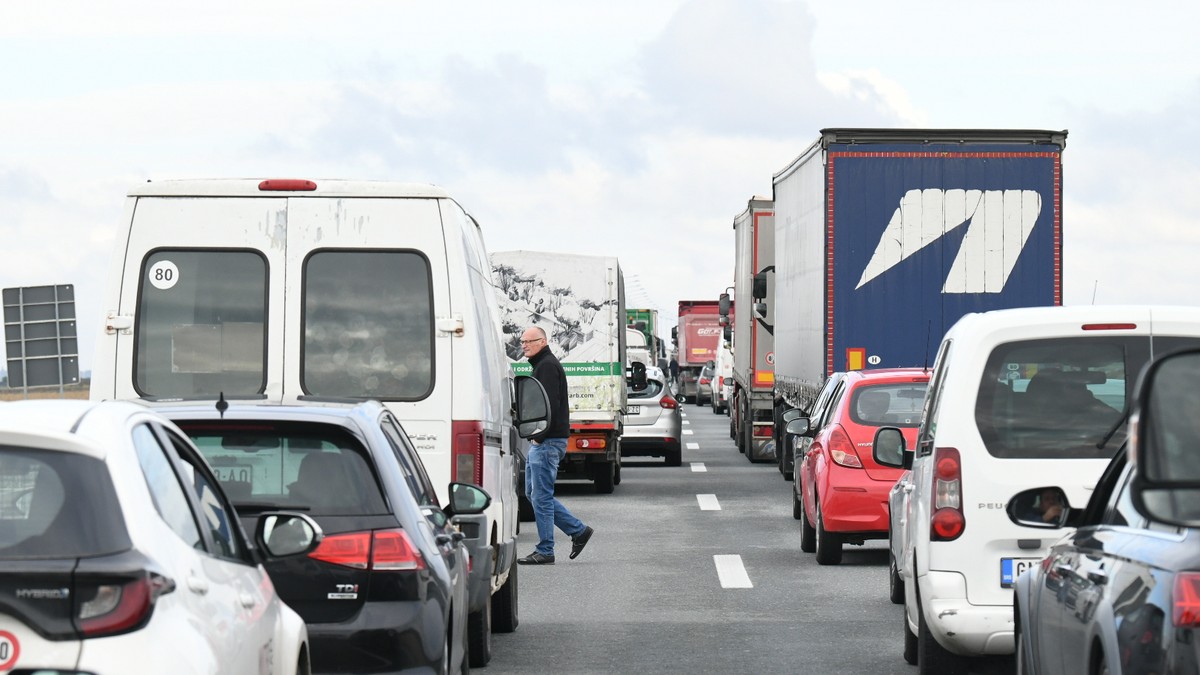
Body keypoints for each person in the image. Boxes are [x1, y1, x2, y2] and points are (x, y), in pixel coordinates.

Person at [517, 326, 594, 565]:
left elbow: (548, 405)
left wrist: (540, 435)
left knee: (540, 495)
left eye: (529, 341)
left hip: (547, 440)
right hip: (545, 440)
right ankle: (578, 531)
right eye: (522, 342)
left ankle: (546, 550)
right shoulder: (541, 365)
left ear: (543, 341)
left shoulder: (547, 366)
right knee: (533, 493)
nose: (524, 345)